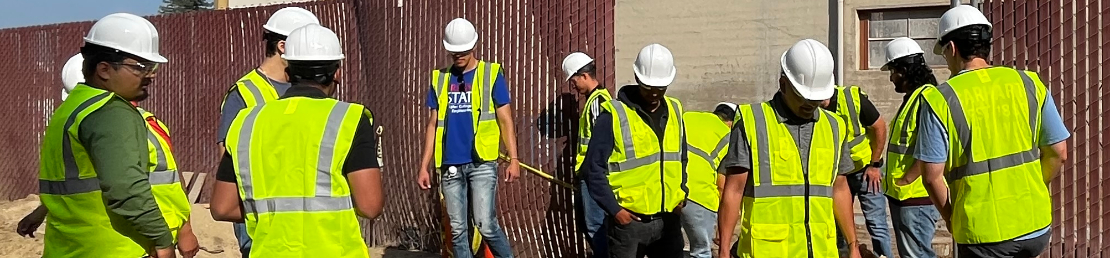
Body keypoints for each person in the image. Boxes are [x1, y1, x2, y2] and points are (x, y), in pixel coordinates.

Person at [896, 5, 1069, 258]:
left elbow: (932, 177)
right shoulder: (1029, 82)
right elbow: (1058, 152)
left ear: (952, 48)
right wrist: (1032, 187)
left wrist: (953, 220)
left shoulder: (941, 99)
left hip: (983, 234)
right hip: (1035, 226)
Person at [209, 24, 385, 258]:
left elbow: (222, 207)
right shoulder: (350, 119)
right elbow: (370, 206)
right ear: (337, 73)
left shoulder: (246, 121)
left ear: (288, 71)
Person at [20, 53, 199, 257]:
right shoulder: (129, 125)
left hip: (71, 247)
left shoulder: (64, 121)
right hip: (119, 244)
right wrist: (166, 236)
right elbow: (152, 184)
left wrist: (181, 230)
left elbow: (161, 182)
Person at [37, 13, 182, 258]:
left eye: (152, 67)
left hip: (69, 248)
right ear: (104, 69)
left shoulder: (73, 107)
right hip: (112, 249)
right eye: (140, 67)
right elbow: (125, 188)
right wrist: (162, 239)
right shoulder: (110, 111)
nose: (151, 75)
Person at [717, 39, 862, 258]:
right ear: (783, 84)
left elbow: (839, 187)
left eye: (814, 99)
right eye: (802, 96)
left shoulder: (834, 126)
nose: (809, 104)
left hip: (821, 250)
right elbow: (734, 189)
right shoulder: (752, 121)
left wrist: (853, 246)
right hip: (768, 250)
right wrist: (724, 249)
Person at [215, 8, 319, 256]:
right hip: (258, 219)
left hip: (301, 214)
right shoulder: (244, 93)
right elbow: (227, 158)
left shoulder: (306, 87)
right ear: (282, 46)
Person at [415, 17, 520, 258]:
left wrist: (514, 158)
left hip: (481, 162)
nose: (458, 56)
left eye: (463, 51)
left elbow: (506, 119)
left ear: (474, 46)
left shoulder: (491, 74)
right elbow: (432, 124)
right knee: (459, 231)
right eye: (454, 52)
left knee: (485, 224)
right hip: (450, 164)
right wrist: (424, 166)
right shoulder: (439, 79)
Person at [582, 43, 689, 258]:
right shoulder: (613, 115)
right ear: (637, 78)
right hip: (629, 224)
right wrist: (615, 210)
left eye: (660, 88)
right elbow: (593, 168)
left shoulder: (675, 110)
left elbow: (681, 157)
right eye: (648, 87)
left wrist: (682, 192)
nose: (654, 94)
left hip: (668, 219)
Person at [879, 37, 942, 258]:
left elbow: (930, 147)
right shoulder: (914, 98)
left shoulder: (926, 97)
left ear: (905, 70)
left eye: (893, 71)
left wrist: (906, 179)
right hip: (905, 197)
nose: (891, 78)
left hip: (915, 197)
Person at [822, 74, 891, 258]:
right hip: (838, 175)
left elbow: (880, 127)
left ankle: (883, 255)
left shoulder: (851, 98)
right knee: (838, 226)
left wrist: (875, 165)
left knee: (877, 224)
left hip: (866, 172)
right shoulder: (813, 107)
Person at [561, 51, 612, 257]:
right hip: (589, 173)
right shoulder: (595, 101)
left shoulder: (598, 103)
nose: (573, 86)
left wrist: (590, 171)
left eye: (574, 80)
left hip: (593, 175)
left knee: (594, 225)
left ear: (584, 76)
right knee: (588, 223)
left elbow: (599, 143)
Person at [680, 102, 735, 258]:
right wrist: (721, 225)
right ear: (731, 122)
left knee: (667, 246)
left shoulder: (688, 117)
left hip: (668, 188)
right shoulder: (729, 136)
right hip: (699, 196)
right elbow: (722, 185)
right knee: (701, 251)